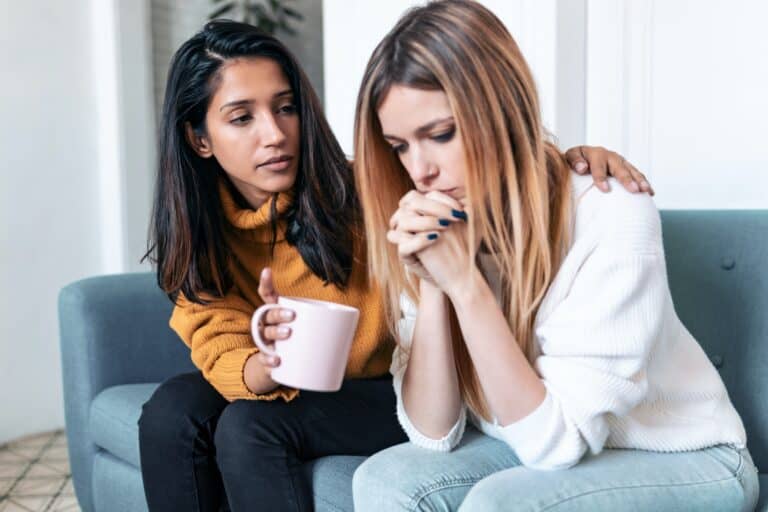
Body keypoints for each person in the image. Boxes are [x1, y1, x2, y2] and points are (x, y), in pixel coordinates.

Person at [138, 18, 651, 512]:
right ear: (199, 139)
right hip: (297, 382)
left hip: (393, 384)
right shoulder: (201, 236)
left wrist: (569, 161)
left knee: (250, 427)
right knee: (173, 412)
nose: (274, 134)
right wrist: (271, 361)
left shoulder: (373, 188)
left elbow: (483, 167)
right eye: (242, 117)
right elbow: (219, 345)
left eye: (286, 107)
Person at [351, 1, 759, 511]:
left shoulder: (611, 211)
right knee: (384, 481)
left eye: (441, 134)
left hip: (685, 456)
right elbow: (434, 433)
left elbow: (555, 443)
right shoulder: (444, 221)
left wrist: (466, 286)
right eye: (400, 146)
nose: (420, 169)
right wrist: (436, 282)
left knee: (502, 505)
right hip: (537, 446)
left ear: (501, 109)